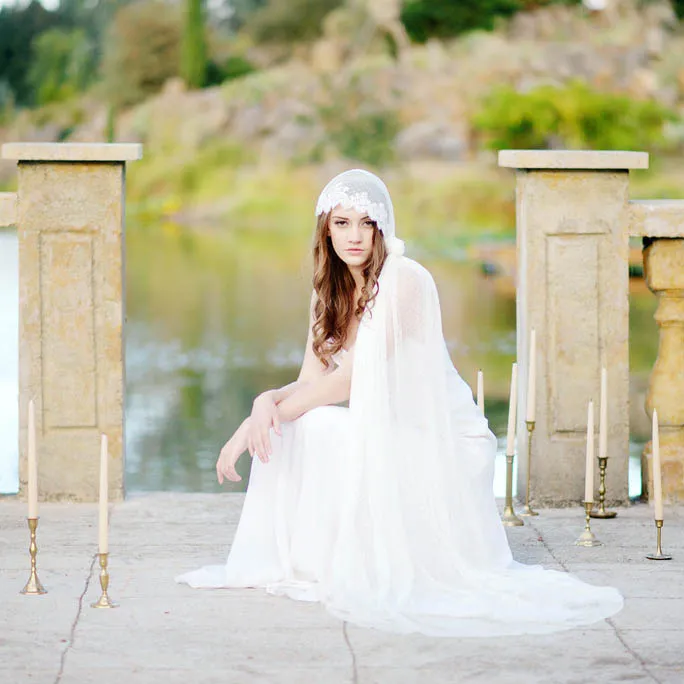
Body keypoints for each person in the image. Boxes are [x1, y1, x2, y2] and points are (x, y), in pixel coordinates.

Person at [176, 169, 623, 637]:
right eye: (342, 223)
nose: (354, 236)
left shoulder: (404, 281)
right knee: (297, 424)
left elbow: (346, 383)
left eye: (365, 223)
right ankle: (305, 559)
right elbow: (311, 381)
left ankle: (342, 559)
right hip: (387, 428)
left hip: (444, 441)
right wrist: (263, 403)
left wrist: (253, 431)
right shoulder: (326, 291)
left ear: (382, 227)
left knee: (318, 424)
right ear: (326, 230)